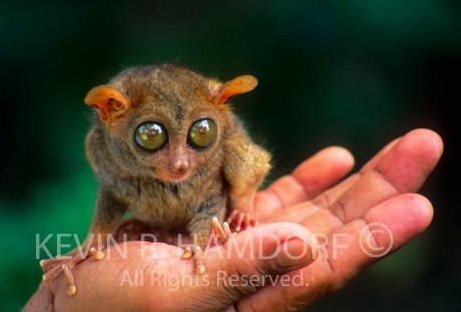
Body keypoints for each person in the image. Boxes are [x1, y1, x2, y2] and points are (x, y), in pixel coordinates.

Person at [23, 128, 443, 311]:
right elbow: (113, 190)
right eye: (154, 138)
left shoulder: (208, 155)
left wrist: (224, 219)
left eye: (195, 136)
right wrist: (61, 293)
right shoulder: (104, 148)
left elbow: (214, 191)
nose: (180, 158)